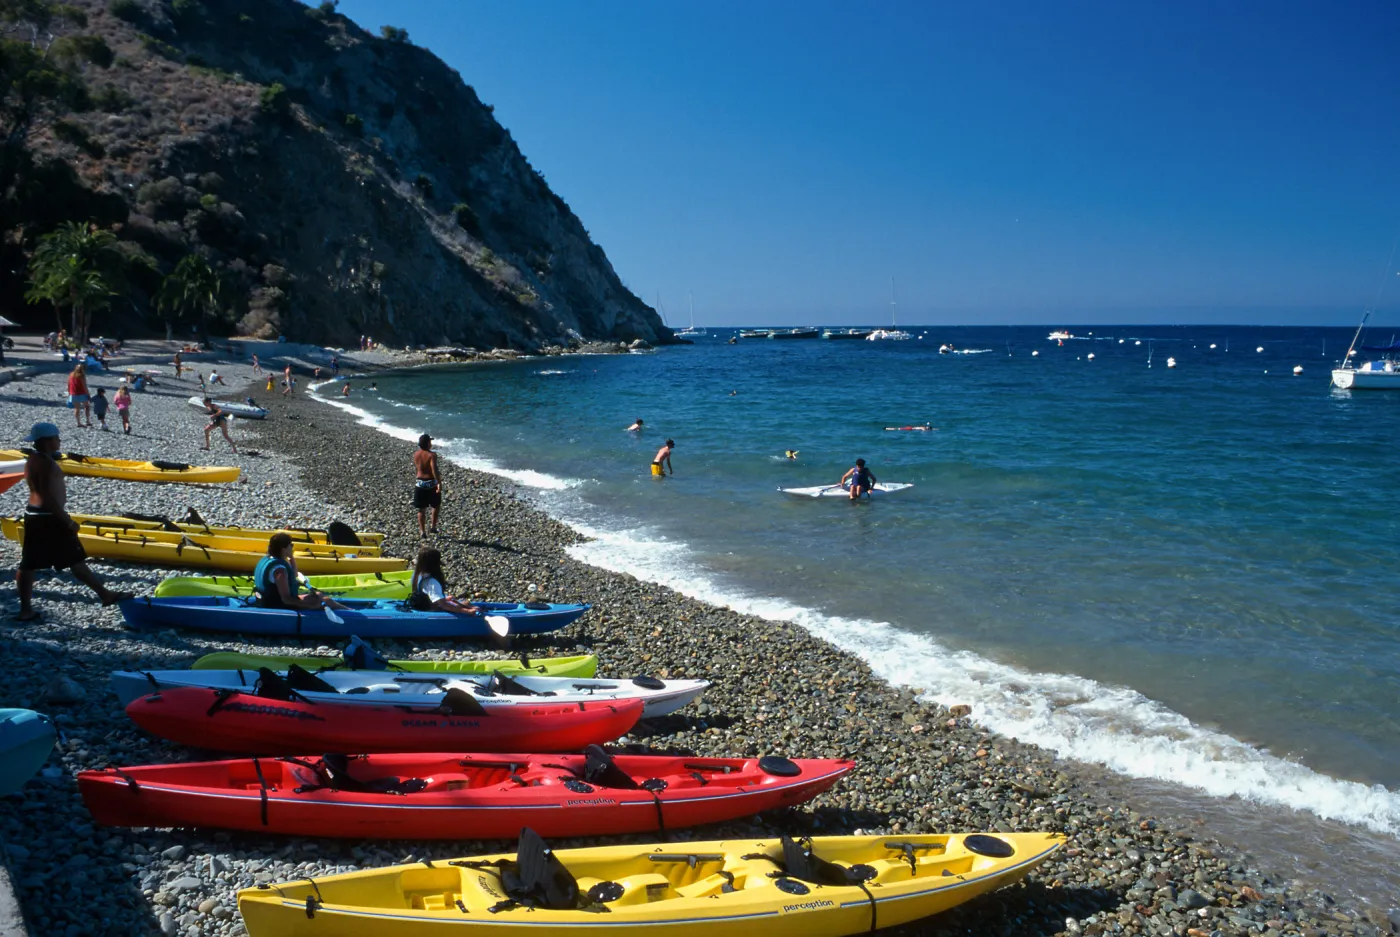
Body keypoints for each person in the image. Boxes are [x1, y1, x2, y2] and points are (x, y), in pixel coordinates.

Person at [13, 422, 132, 621]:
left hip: (35, 515)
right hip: (48, 517)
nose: (59, 440)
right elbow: (46, 496)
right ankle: (105, 594)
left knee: (30, 563)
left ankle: (26, 610)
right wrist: (67, 520)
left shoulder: (34, 459)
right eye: (57, 437)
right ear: (48, 440)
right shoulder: (44, 463)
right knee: (73, 559)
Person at [252, 533, 346, 611]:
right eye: (291, 545)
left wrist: (291, 557)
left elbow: (294, 574)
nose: (292, 547)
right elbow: (286, 600)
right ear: (284, 548)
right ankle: (353, 614)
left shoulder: (270, 559)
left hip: (269, 600)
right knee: (327, 601)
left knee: (319, 595)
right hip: (278, 605)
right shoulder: (279, 571)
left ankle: (350, 611)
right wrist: (311, 606)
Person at [408, 547, 479, 614]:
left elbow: (427, 593)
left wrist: (445, 598)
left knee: (461, 602)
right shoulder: (432, 582)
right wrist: (467, 611)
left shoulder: (416, 574)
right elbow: (443, 605)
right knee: (464, 604)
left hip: (420, 604)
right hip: (430, 608)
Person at [413, 433, 442, 535]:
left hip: (420, 483)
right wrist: (439, 483)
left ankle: (422, 531)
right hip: (431, 483)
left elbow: (418, 468)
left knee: (421, 509)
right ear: (428, 443)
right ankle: (433, 527)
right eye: (430, 441)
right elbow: (434, 470)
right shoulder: (432, 455)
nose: (431, 443)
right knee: (436, 505)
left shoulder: (416, 454)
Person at [67, 364, 91, 428]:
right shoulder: (81, 376)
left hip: (73, 393)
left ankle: (78, 423)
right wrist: (88, 394)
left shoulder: (71, 374)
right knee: (87, 406)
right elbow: (84, 386)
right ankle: (88, 421)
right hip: (82, 393)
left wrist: (69, 392)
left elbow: (69, 384)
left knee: (77, 408)